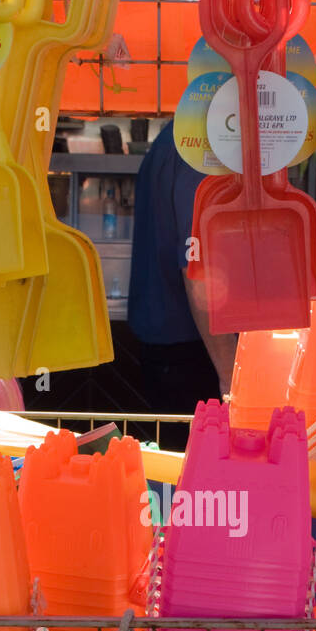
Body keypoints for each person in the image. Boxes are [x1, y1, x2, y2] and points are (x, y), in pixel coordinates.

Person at [127, 121, 237, 441]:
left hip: (171, 346)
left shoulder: (173, 137)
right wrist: (230, 375)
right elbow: (198, 271)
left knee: (178, 477)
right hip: (192, 352)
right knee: (198, 479)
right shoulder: (201, 149)